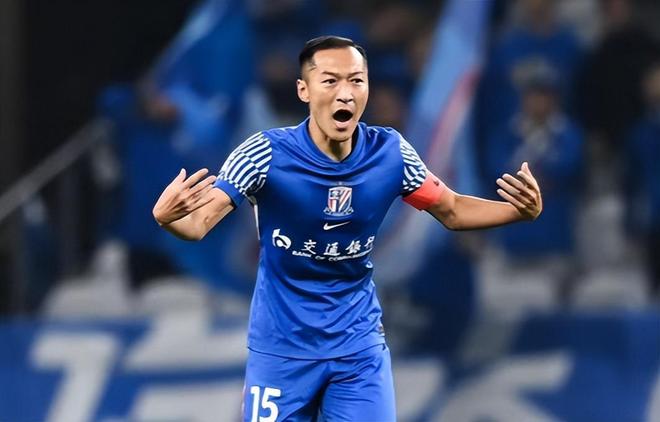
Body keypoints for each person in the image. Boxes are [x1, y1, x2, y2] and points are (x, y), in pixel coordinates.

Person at [152, 36, 543, 422]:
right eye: (330, 81)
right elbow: (199, 224)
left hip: (357, 349)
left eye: (356, 81)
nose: (345, 93)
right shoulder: (264, 154)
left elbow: (452, 210)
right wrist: (168, 218)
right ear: (304, 90)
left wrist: (516, 211)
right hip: (281, 352)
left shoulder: (390, 154)